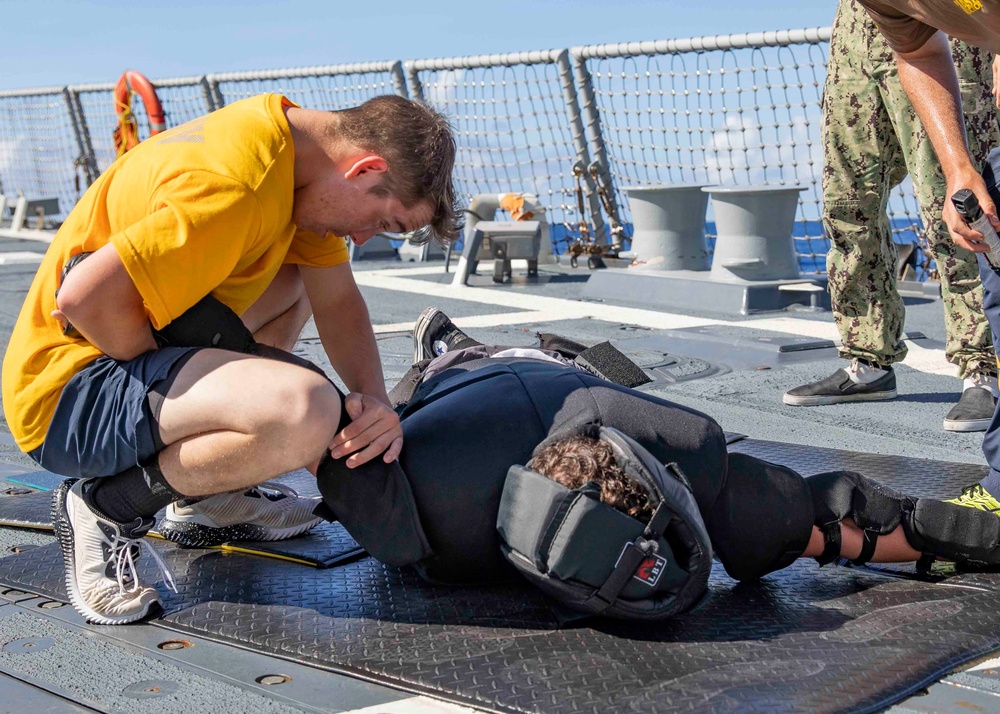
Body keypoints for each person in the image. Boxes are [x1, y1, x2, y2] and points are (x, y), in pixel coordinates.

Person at [0, 93, 459, 625]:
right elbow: (82, 299)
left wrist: (377, 405)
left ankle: (208, 497)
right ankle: (106, 505)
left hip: (117, 352)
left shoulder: (289, 158)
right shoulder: (235, 184)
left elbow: (337, 300)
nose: (363, 237)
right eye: (383, 222)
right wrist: (183, 394)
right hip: (65, 398)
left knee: (300, 280)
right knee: (302, 411)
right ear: (365, 168)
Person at [314, 307, 1000, 621]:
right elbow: (831, 508)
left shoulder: (425, 536)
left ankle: (442, 348)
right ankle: (443, 347)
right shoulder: (431, 537)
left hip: (474, 393)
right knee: (430, 376)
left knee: (420, 389)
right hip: (508, 379)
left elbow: (337, 454)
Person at [784, 0, 999, 433]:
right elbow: (916, 51)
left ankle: (986, 367)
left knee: (955, 211)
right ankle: (867, 356)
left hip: (954, 32)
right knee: (847, 204)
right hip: (858, 37)